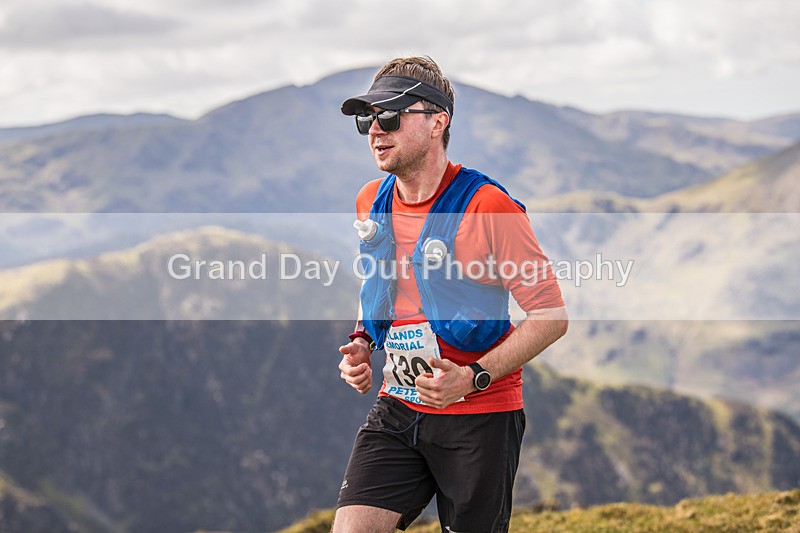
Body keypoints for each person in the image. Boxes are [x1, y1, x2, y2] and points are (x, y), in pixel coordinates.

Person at [334, 56, 568, 533]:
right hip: (398, 404)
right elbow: (381, 284)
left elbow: (550, 315)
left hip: (479, 417)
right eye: (367, 119)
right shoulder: (370, 200)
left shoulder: (489, 207)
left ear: (438, 121)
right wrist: (362, 341)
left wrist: (473, 377)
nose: (376, 131)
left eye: (391, 116)